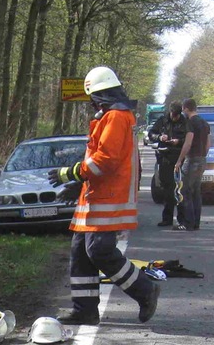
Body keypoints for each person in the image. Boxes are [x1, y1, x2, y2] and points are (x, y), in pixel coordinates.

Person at [47, 66, 161, 326]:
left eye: (92, 99)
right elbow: (100, 160)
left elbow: (105, 160)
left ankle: (145, 289)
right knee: (81, 252)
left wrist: (72, 173)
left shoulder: (116, 117)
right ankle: (85, 310)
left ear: (99, 95)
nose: (91, 104)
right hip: (95, 195)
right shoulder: (110, 117)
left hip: (109, 196)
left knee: (99, 250)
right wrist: (80, 183)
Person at [146, 101, 187, 227]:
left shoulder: (184, 122)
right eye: (173, 114)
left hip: (179, 158)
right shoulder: (162, 121)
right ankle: (167, 218)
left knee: (180, 190)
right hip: (164, 158)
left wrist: (179, 141)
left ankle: (182, 219)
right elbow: (151, 134)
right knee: (168, 190)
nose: (175, 117)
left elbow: (189, 138)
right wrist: (159, 137)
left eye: (177, 115)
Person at [174, 98, 210, 230]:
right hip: (201, 159)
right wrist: (203, 156)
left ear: (186, 108)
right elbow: (208, 144)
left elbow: (188, 143)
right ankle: (196, 223)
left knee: (184, 191)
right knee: (196, 191)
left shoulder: (190, 123)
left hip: (191, 160)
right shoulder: (205, 123)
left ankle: (188, 222)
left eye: (183, 109)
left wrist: (179, 160)